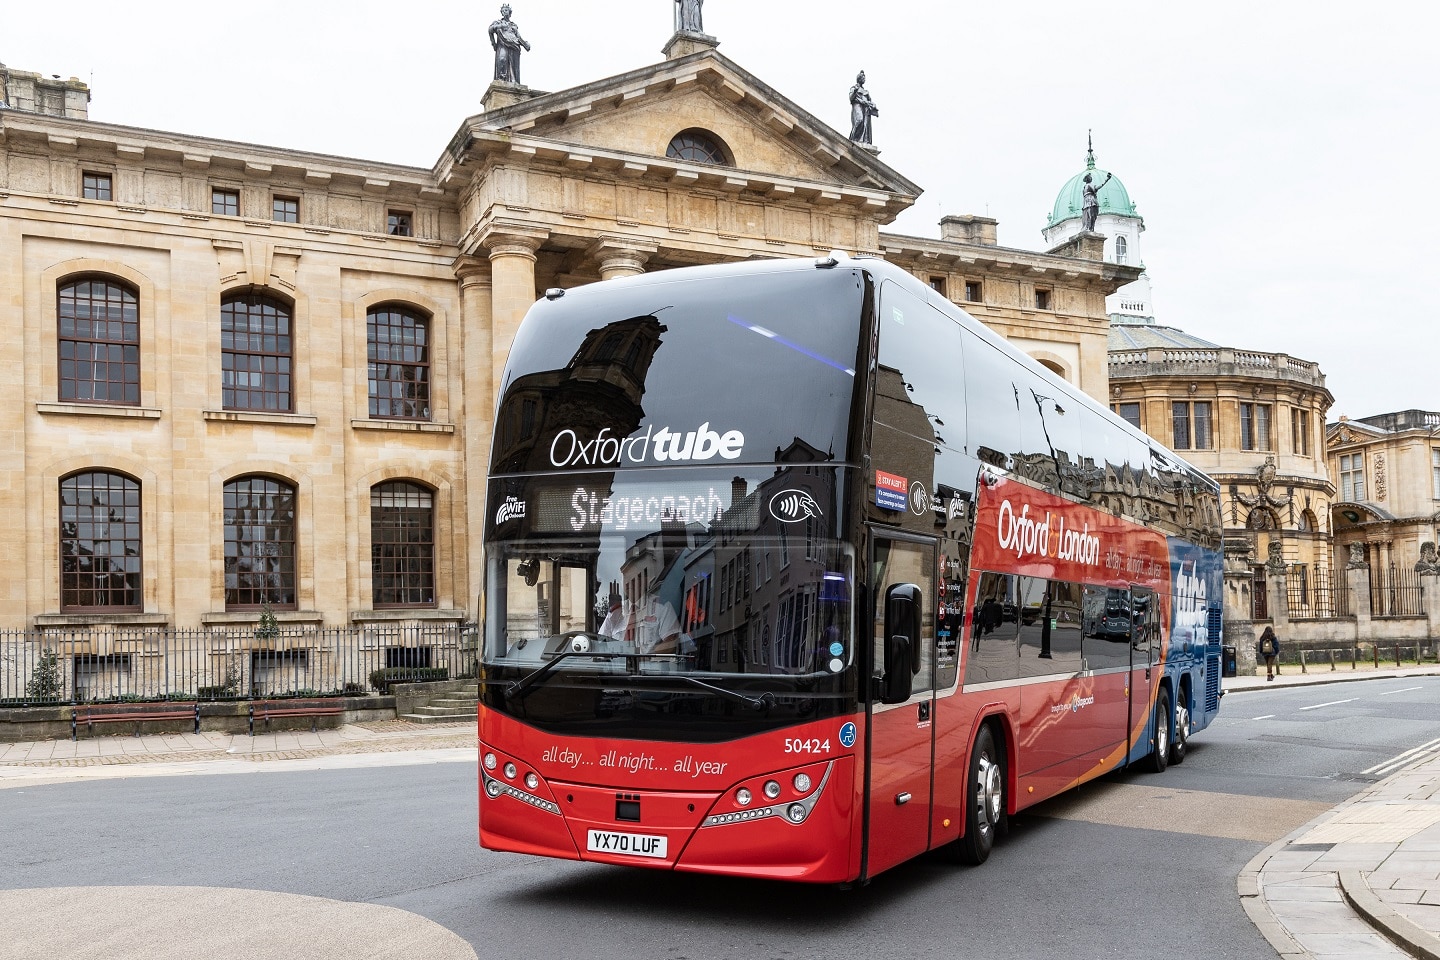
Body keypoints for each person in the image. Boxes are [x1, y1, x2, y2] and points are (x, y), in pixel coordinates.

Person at [489, 4, 531, 85]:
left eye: (506, 10)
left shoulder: (513, 25)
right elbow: (490, 30)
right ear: (501, 12)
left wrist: (525, 44)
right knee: (502, 59)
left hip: (514, 46)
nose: (505, 12)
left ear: (510, 12)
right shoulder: (498, 22)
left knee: (514, 66)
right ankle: (502, 80)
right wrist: (494, 44)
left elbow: (518, 37)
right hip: (502, 45)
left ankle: (513, 82)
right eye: (503, 10)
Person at [849, 71, 878, 144]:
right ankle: (853, 139)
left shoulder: (866, 92)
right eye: (863, 77)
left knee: (865, 126)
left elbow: (870, 100)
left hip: (865, 109)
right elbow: (851, 97)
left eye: (865, 78)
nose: (864, 79)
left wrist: (873, 105)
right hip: (857, 105)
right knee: (859, 120)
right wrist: (855, 91)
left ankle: (862, 140)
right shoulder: (854, 88)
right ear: (859, 79)